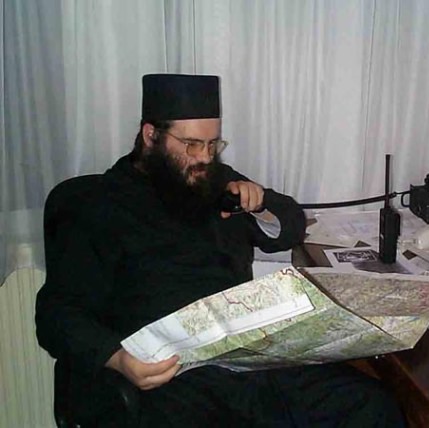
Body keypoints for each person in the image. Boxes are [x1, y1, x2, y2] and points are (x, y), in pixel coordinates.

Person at [36, 74, 405, 427]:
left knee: (370, 406)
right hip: (174, 377)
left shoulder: (213, 181)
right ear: (151, 136)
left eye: (213, 145)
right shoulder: (97, 205)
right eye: (192, 145)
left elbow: (290, 224)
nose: (204, 157)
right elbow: (57, 312)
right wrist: (117, 360)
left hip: (250, 361)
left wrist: (260, 205)